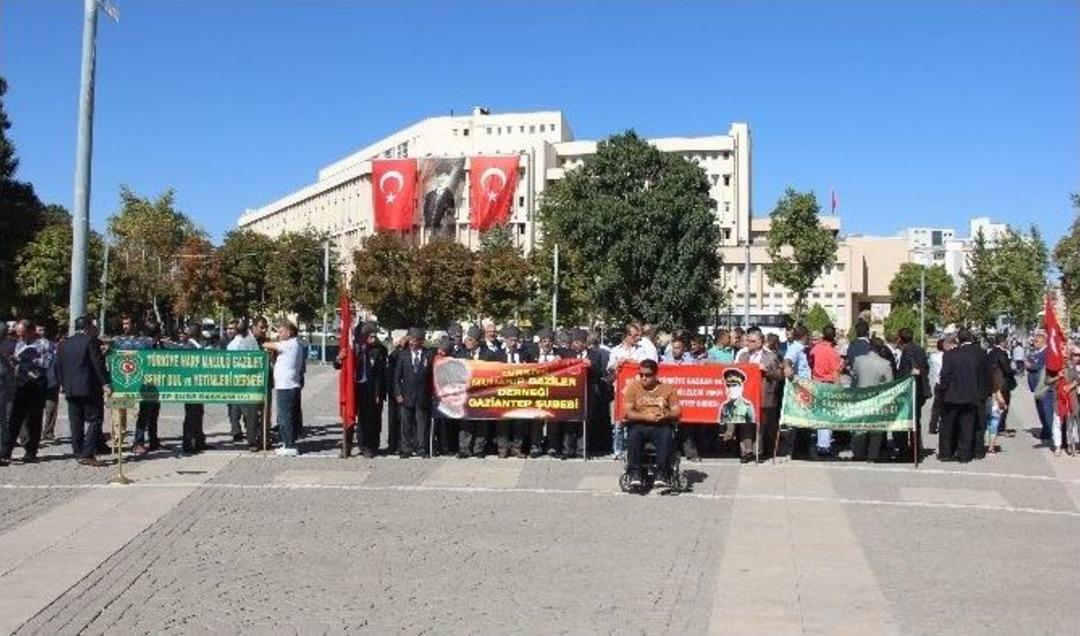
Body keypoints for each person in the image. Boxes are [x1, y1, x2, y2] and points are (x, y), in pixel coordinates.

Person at [55, 315, 110, 467]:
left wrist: (63, 384)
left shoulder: (64, 343)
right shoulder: (90, 341)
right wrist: (106, 382)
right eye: (92, 326)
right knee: (95, 419)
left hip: (70, 388)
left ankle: (78, 450)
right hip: (88, 387)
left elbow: (58, 365)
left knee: (75, 421)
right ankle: (87, 453)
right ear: (87, 327)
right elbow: (97, 363)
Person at [622, 359, 680, 489]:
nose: (643, 378)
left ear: (655, 375)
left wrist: (666, 415)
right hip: (639, 424)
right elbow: (629, 413)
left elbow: (677, 412)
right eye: (641, 374)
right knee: (634, 435)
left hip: (661, 425)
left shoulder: (668, 389)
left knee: (666, 435)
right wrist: (646, 417)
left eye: (647, 375)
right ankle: (635, 474)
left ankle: (661, 474)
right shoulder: (633, 388)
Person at [0, 320, 52, 463]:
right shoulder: (20, 343)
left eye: (23, 334)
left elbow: (46, 362)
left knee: (34, 420)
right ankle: (6, 451)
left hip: (36, 386)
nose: (21, 337)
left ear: (30, 331)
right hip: (20, 385)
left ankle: (31, 451)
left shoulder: (43, 344)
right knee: (14, 420)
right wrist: (14, 361)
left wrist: (27, 360)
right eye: (19, 335)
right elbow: (16, 362)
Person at [336, 321, 387, 459]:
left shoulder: (377, 350)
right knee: (349, 416)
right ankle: (346, 446)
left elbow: (379, 374)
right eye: (366, 335)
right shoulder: (351, 348)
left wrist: (378, 393)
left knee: (366, 419)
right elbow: (337, 365)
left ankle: (365, 447)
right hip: (352, 387)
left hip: (367, 388)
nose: (369, 338)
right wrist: (339, 358)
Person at [938, 329, 985, 463]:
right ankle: (964, 455)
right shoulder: (977, 355)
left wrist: (942, 391)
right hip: (970, 395)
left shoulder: (950, 355)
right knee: (967, 426)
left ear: (958, 339)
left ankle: (945, 453)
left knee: (947, 426)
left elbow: (945, 376)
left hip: (951, 395)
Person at [735, 329, 783, 462]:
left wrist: (766, 371)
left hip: (763, 395)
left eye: (752, 341)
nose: (749, 343)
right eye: (748, 341)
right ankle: (746, 451)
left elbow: (779, 375)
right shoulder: (743, 356)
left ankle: (758, 451)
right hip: (745, 396)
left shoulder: (771, 357)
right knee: (745, 424)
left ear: (760, 342)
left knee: (759, 426)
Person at [849, 338, 895, 462]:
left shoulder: (858, 360)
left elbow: (854, 377)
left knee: (860, 426)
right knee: (876, 428)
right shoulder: (885, 364)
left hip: (861, 397)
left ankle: (858, 453)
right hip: (877, 398)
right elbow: (889, 383)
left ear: (870, 346)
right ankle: (873, 455)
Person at [263, 319, 304, 456]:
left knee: (285, 415)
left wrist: (269, 339)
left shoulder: (289, 344)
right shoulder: (294, 344)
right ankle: (288, 442)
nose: (279, 334)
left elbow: (267, 344)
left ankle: (289, 445)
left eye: (281, 331)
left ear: (290, 332)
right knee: (288, 415)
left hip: (286, 385)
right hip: (289, 384)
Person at [494, 326, 534, 458]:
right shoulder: (498, 354)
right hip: (503, 393)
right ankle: (503, 448)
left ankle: (517, 447)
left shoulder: (525, 354)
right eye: (511, 340)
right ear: (505, 340)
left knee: (519, 422)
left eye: (516, 340)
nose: (514, 343)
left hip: (520, 393)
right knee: (503, 422)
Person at [394, 328, 434, 458]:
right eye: (410, 340)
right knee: (406, 424)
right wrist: (398, 393)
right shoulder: (403, 355)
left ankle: (422, 447)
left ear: (421, 342)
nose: (412, 343)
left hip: (422, 395)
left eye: (415, 341)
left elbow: (433, 375)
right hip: (406, 395)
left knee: (422, 423)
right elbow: (397, 377)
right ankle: (406, 448)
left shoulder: (428, 355)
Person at [533, 328, 572, 458]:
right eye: (544, 341)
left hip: (554, 392)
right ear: (539, 343)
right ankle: (536, 446)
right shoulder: (531, 353)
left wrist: (561, 361)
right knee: (536, 420)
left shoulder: (561, 353)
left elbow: (572, 361)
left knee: (553, 420)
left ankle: (552, 446)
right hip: (535, 391)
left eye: (549, 341)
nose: (546, 344)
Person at [808, 325, 843, 459]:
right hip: (828, 385)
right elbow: (835, 372)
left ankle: (820, 441)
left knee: (819, 414)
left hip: (816, 383)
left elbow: (811, 363)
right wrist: (838, 389)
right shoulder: (833, 352)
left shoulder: (815, 349)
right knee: (827, 416)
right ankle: (824, 445)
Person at [896, 327, 929, 459]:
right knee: (916, 420)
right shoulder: (919, 349)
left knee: (906, 420)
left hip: (910, 390)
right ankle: (916, 447)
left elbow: (908, 371)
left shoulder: (907, 352)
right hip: (920, 390)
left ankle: (906, 450)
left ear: (900, 339)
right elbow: (926, 367)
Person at [719, 368, 757, 463]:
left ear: (741, 387)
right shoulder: (724, 407)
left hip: (745, 431)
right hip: (730, 433)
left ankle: (747, 451)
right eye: (728, 386)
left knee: (746, 427)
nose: (731, 389)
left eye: (734, 386)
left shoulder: (747, 406)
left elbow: (751, 423)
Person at [986, 333, 1017, 437]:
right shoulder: (1001, 353)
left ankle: (994, 426)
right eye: (1006, 341)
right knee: (1004, 405)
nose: (1008, 343)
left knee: (994, 405)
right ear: (1002, 341)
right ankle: (1000, 427)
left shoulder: (991, 352)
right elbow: (1006, 368)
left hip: (993, 382)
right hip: (1003, 383)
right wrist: (1013, 371)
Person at [1026, 332, 1054, 442]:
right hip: (1037, 388)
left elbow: (1040, 367)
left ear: (1043, 341)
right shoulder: (1038, 352)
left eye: (1036, 341)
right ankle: (1046, 430)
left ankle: (1050, 432)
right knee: (1041, 410)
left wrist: (1030, 365)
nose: (1034, 343)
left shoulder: (1046, 352)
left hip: (1043, 388)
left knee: (1046, 411)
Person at [985, 366, 1008, 456]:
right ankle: (991, 448)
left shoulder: (985, 388)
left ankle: (985, 444)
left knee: (985, 427)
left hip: (985, 408)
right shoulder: (996, 389)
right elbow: (1001, 400)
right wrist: (1004, 405)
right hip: (995, 410)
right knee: (993, 429)